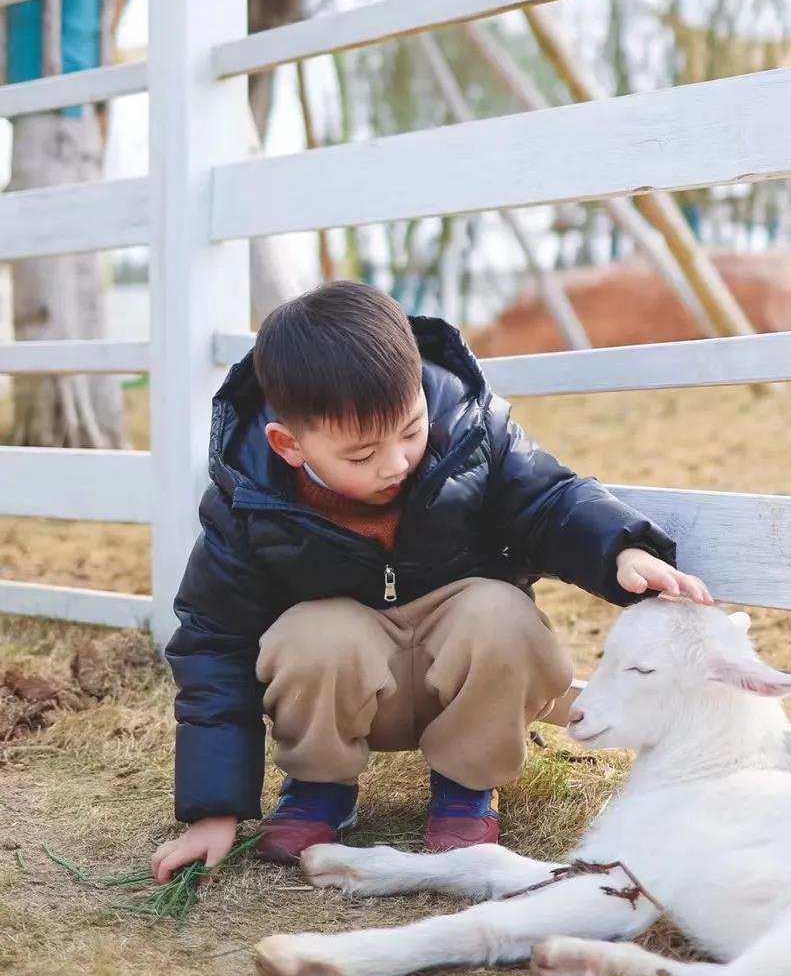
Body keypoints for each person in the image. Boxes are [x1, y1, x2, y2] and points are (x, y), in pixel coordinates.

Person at [150, 281, 710, 879]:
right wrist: (214, 810)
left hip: (471, 674)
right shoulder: (248, 503)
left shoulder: (472, 428)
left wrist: (620, 549)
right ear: (288, 445)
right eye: (361, 456)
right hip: (353, 687)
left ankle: (466, 791)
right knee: (312, 633)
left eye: (411, 431)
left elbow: (548, 499)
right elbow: (214, 642)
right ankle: (319, 790)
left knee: (499, 612)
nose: (395, 464)